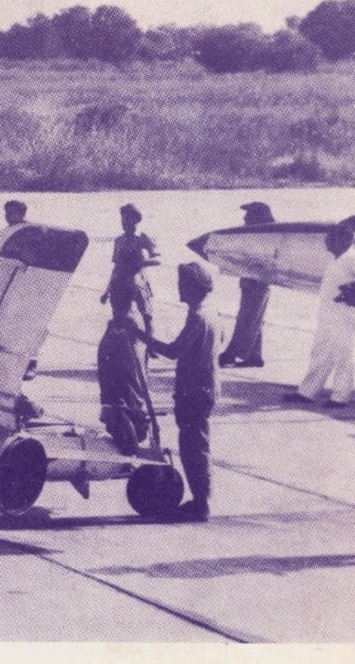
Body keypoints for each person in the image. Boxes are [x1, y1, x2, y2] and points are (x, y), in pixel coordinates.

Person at [138, 262, 223, 521]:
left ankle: (201, 505)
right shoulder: (212, 313)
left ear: (194, 287)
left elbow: (175, 351)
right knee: (196, 445)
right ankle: (200, 501)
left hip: (194, 391)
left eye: (182, 284)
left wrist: (142, 337)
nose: (179, 288)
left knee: (193, 448)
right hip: (206, 387)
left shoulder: (198, 317)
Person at [284, 226, 355, 408]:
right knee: (320, 352)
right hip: (330, 316)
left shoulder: (354, 259)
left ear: (345, 241)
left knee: (344, 356)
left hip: (345, 316)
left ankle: (340, 397)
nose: (327, 241)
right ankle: (307, 392)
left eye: (331, 238)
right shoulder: (338, 258)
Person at [219, 202, 275, 368]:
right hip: (253, 281)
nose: (245, 218)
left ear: (258, 217)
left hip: (257, 283)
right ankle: (254, 356)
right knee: (254, 318)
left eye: (249, 215)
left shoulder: (265, 237)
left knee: (246, 318)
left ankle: (232, 353)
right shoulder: (259, 235)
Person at [98, 293, 151, 455]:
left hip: (124, 382)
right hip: (126, 381)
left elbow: (121, 362)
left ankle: (131, 448)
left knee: (123, 405)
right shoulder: (122, 322)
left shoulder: (125, 325)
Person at [102, 203, 160, 344]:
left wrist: (140, 263)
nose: (124, 223)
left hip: (137, 280)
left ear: (135, 220)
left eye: (127, 220)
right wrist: (106, 291)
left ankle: (151, 345)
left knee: (147, 316)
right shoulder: (119, 241)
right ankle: (121, 345)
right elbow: (115, 267)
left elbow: (158, 259)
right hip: (120, 281)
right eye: (122, 220)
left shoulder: (142, 238)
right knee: (118, 316)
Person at [4, 199, 38, 379]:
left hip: (26, 286)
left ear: (21, 214)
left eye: (11, 213)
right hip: (12, 287)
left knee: (24, 325)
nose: (7, 217)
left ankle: (31, 362)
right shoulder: (10, 232)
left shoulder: (29, 233)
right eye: (6, 213)